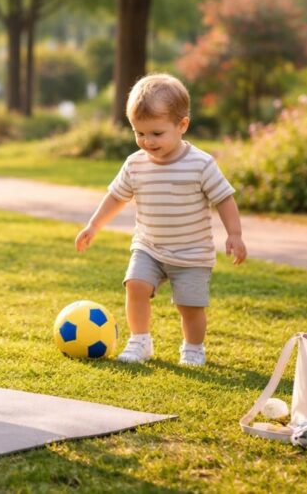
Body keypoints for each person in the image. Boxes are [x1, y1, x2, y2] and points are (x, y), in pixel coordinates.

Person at [74, 74, 247, 367]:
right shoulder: (135, 164)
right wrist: (94, 225)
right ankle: (140, 341)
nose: (146, 142)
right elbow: (117, 197)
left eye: (156, 133)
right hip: (149, 247)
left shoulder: (200, 164)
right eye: (138, 133)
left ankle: (193, 348)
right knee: (135, 286)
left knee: (189, 306)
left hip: (192, 253)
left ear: (182, 125)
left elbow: (224, 199)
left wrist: (235, 234)